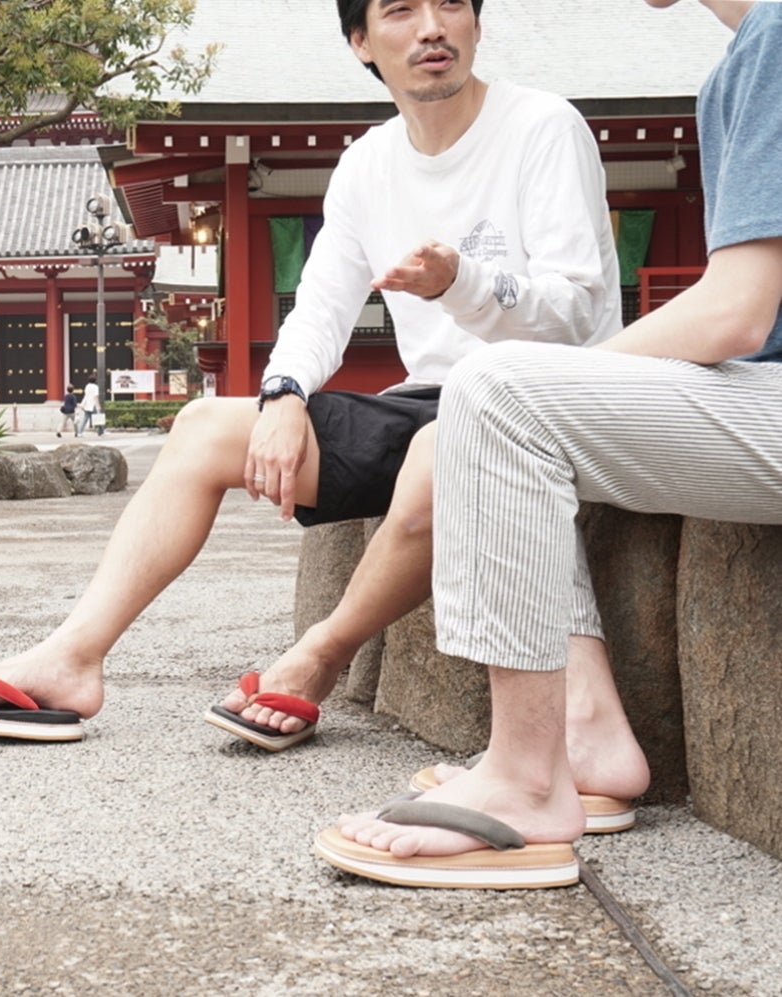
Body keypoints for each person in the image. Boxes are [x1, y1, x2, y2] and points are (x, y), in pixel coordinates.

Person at [0, 0, 624, 753]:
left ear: (477, 23)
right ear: (360, 41)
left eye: (450, 4)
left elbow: (576, 315)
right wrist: (283, 395)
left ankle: (320, 654)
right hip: (430, 400)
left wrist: (460, 281)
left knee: (441, 447)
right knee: (204, 427)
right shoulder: (368, 164)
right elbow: (320, 309)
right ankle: (72, 657)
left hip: (542, 400)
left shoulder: (541, 126)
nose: (431, 27)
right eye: (401, 9)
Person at [316, 0, 782, 890]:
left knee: (502, 396)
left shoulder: (775, 39)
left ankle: (527, 782)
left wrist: (538, 387)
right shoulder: (745, 52)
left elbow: (737, 310)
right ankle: (585, 735)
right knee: (516, 400)